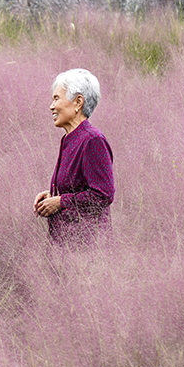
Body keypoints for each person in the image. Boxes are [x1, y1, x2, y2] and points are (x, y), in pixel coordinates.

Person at [34, 68, 114, 246]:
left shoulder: (92, 140)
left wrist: (61, 201)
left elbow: (103, 195)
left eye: (56, 98)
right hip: (66, 247)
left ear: (78, 102)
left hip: (87, 249)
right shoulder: (70, 139)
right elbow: (78, 187)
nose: (51, 106)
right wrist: (52, 196)